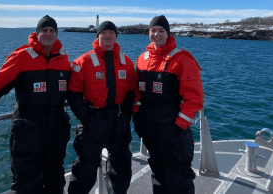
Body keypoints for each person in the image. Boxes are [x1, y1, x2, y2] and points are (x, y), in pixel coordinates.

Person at [0, 15, 71, 194]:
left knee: (55, 180)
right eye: (44, 30)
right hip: (28, 129)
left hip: (56, 129)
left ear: (56, 34)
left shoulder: (62, 58)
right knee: (26, 183)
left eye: (52, 30)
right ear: (37, 33)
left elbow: (74, 88)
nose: (48, 34)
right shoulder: (21, 57)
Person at [133, 15, 204, 194]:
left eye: (161, 31)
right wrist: (137, 116)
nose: (156, 34)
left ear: (168, 33)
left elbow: (194, 97)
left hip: (172, 129)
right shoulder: (142, 58)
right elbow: (136, 91)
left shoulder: (182, 59)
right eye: (153, 30)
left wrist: (179, 125)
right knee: (157, 169)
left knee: (178, 174)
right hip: (149, 128)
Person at [67, 21, 137, 194]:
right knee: (85, 169)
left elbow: (131, 91)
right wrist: (87, 118)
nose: (107, 36)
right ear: (97, 37)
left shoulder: (126, 62)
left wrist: (125, 116)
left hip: (118, 123)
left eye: (111, 33)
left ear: (116, 37)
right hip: (92, 121)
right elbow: (73, 94)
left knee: (121, 168)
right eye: (103, 33)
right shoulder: (83, 61)